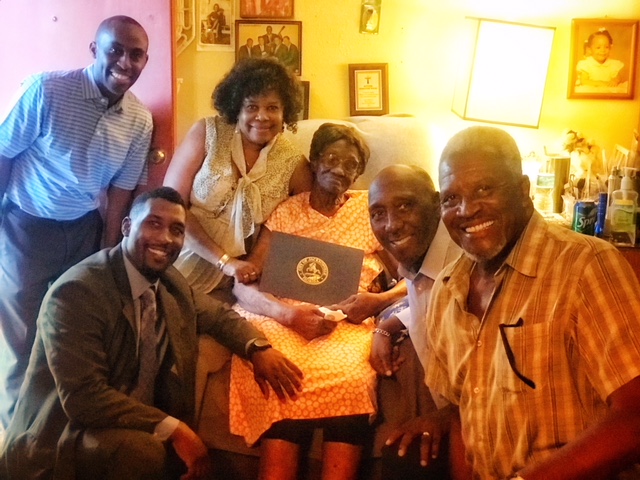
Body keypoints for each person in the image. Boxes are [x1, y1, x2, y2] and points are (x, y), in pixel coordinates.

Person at [0, 187, 304, 480]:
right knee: (145, 452)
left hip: (125, 418)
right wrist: (173, 428)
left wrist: (257, 348)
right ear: (127, 226)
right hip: (63, 435)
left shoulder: (168, 281)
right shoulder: (78, 292)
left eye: (176, 230)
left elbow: (216, 315)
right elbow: (84, 398)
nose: (165, 238)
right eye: (153, 224)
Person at [394, 125, 640, 478]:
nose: (466, 210)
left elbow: (634, 417)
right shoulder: (447, 291)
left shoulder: (586, 266)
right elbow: (463, 417)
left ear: (524, 191)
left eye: (484, 189)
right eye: (450, 198)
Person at [0, 15, 153, 432]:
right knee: (22, 338)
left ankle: (59, 429)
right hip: (26, 229)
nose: (125, 62)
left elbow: (122, 192)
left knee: (72, 333)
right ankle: (18, 438)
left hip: (85, 229)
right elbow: (3, 151)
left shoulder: (139, 120)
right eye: (115, 50)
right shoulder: (46, 90)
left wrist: (107, 254)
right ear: (94, 50)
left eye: (136, 55)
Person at [228, 123, 401, 480]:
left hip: (346, 323)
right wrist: (288, 314)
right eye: (331, 158)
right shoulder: (288, 211)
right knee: (282, 372)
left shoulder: (371, 210)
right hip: (284, 318)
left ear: (358, 173)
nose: (339, 169)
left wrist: (376, 300)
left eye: (350, 164)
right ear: (315, 160)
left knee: (352, 376)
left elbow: (416, 277)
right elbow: (244, 283)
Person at [163, 57, 312, 303]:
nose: (262, 116)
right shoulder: (207, 133)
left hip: (239, 279)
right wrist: (224, 261)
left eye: (272, 108)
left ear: (286, 112)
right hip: (177, 253)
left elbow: (297, 226)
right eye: (252, 107)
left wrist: (251, 266)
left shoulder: (294, 163)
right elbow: (170, 206)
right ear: (236, 108)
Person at [367, 165, 460, 479]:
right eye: (378, 213)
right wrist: (387, 325)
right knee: (401, 455)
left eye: (405, 206)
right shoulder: (418, 253)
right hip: (455, 412)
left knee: (405, 460)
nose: (391, 225)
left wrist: (448, 417)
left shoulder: (466, 262)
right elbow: (425, 299)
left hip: (481, 420)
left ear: (437, 203)